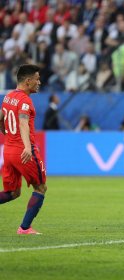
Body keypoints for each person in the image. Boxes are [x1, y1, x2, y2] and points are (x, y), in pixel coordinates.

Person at [0, 64, 47, 235]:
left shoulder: (8, 96)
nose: (39, 82)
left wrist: (2, 128)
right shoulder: (25, 100)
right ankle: (25, 228)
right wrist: (27, 147)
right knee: (41, 188)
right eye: (37, 79)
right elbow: (22, 121)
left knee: (12, 192)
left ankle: (25, 228)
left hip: (8, 150)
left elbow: (1, 116)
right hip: (23, 151)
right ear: (28, 81)